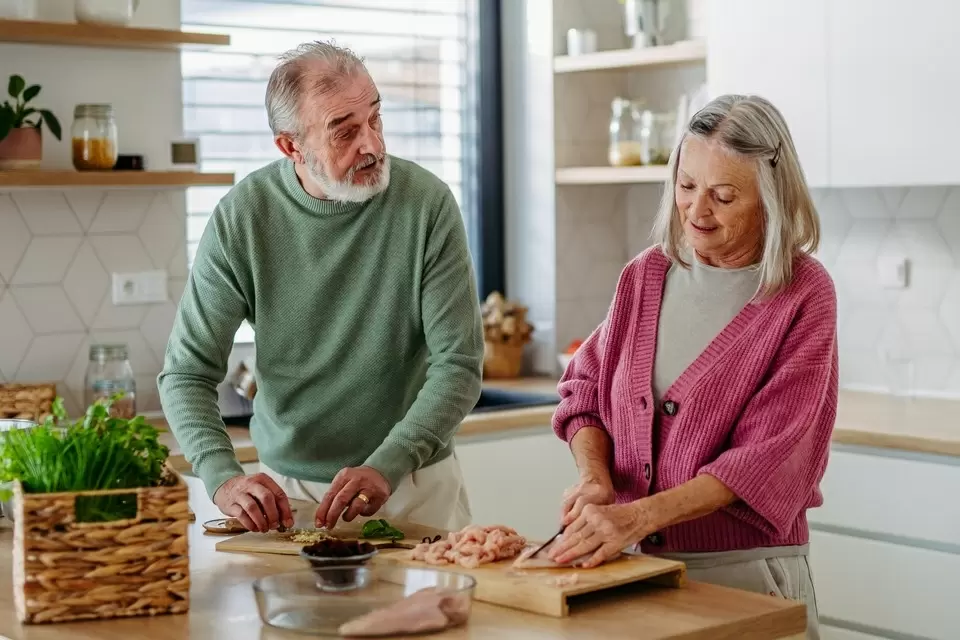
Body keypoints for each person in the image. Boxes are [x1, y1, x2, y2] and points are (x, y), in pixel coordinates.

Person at [158, 40, 483, 535]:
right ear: (291, 146)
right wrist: (222, 478)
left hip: (414, 485)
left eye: (375, 118)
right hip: (289, 496)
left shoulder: (427, 206)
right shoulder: (242, 218)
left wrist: (388, 464)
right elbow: (185, 373)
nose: (371, 144)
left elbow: (458, 365)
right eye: (344, 132)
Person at [548, 94, 836, 639]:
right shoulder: (646, 274)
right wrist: (596, 478)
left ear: (771, 199)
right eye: (686, 187)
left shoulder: (803, 294)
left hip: (746, 576)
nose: (697, 212)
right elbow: (583, 390)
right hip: (632, 570)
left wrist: (638, 516)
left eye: (724, 196)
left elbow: (762, 458)